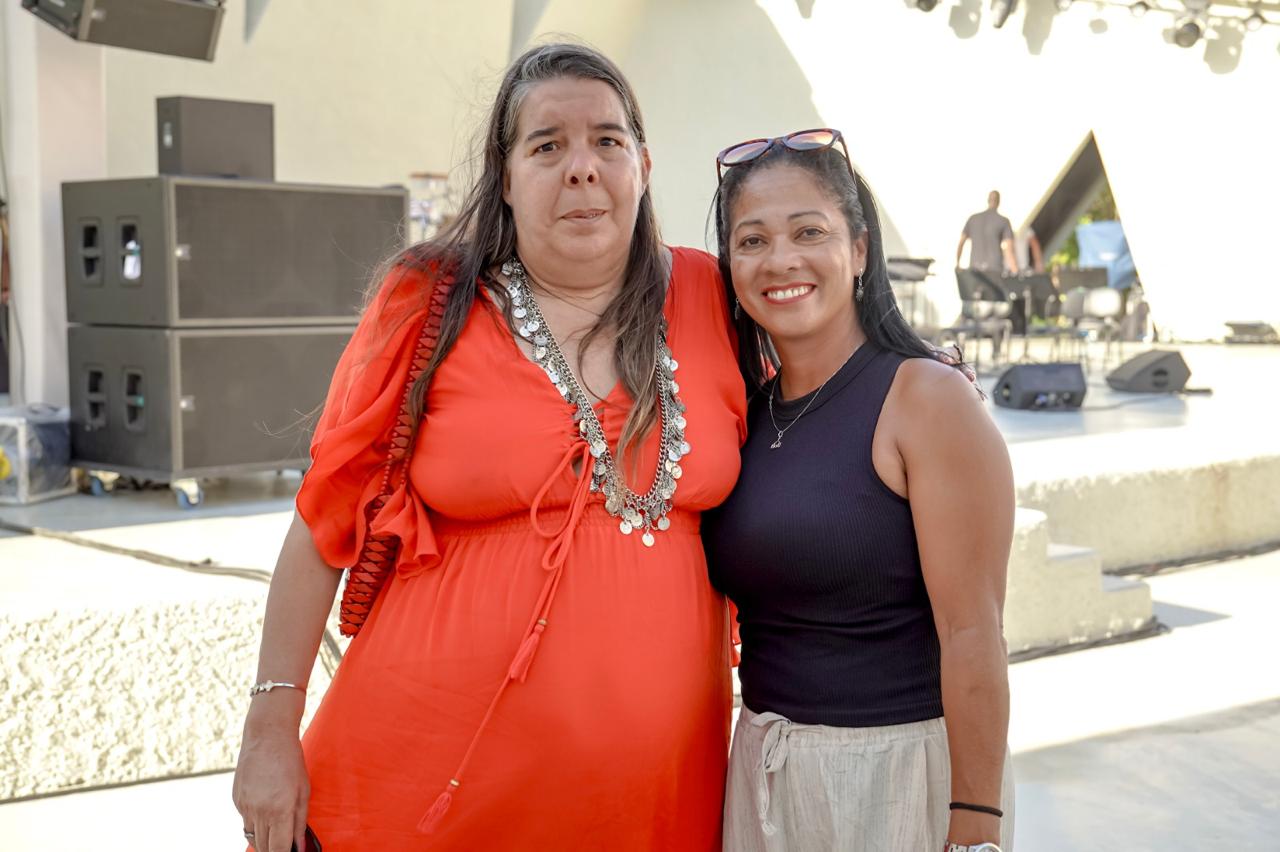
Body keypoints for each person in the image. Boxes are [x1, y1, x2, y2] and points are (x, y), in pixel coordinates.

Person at [232, 43, 746, 852]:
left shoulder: (715, 295)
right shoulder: (431, 302)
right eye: (547, 146)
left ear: (643, 165)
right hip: (421, 787)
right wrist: (269, 729)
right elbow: (322, 522)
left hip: (653, 798)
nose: (582, 167)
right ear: (505, 177)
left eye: (607, 140)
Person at [703, 129, 1016, 852]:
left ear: (861, 250)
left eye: (808, 231)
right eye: (752, 241)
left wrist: (976, 828)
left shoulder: (926, 398)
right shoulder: (747, 414)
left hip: (896, 777)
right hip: (763, 772)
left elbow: (975, 634)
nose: (780, 259)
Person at [958, 190, 1017, 276]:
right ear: (999, 202)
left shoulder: (973, 219)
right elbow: (1009, 249)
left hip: (975, 269)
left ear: (988, 200)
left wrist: (958, 264)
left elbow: (961, 243)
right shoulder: (1003, 221)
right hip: (994, 269)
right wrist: (1015, 271)